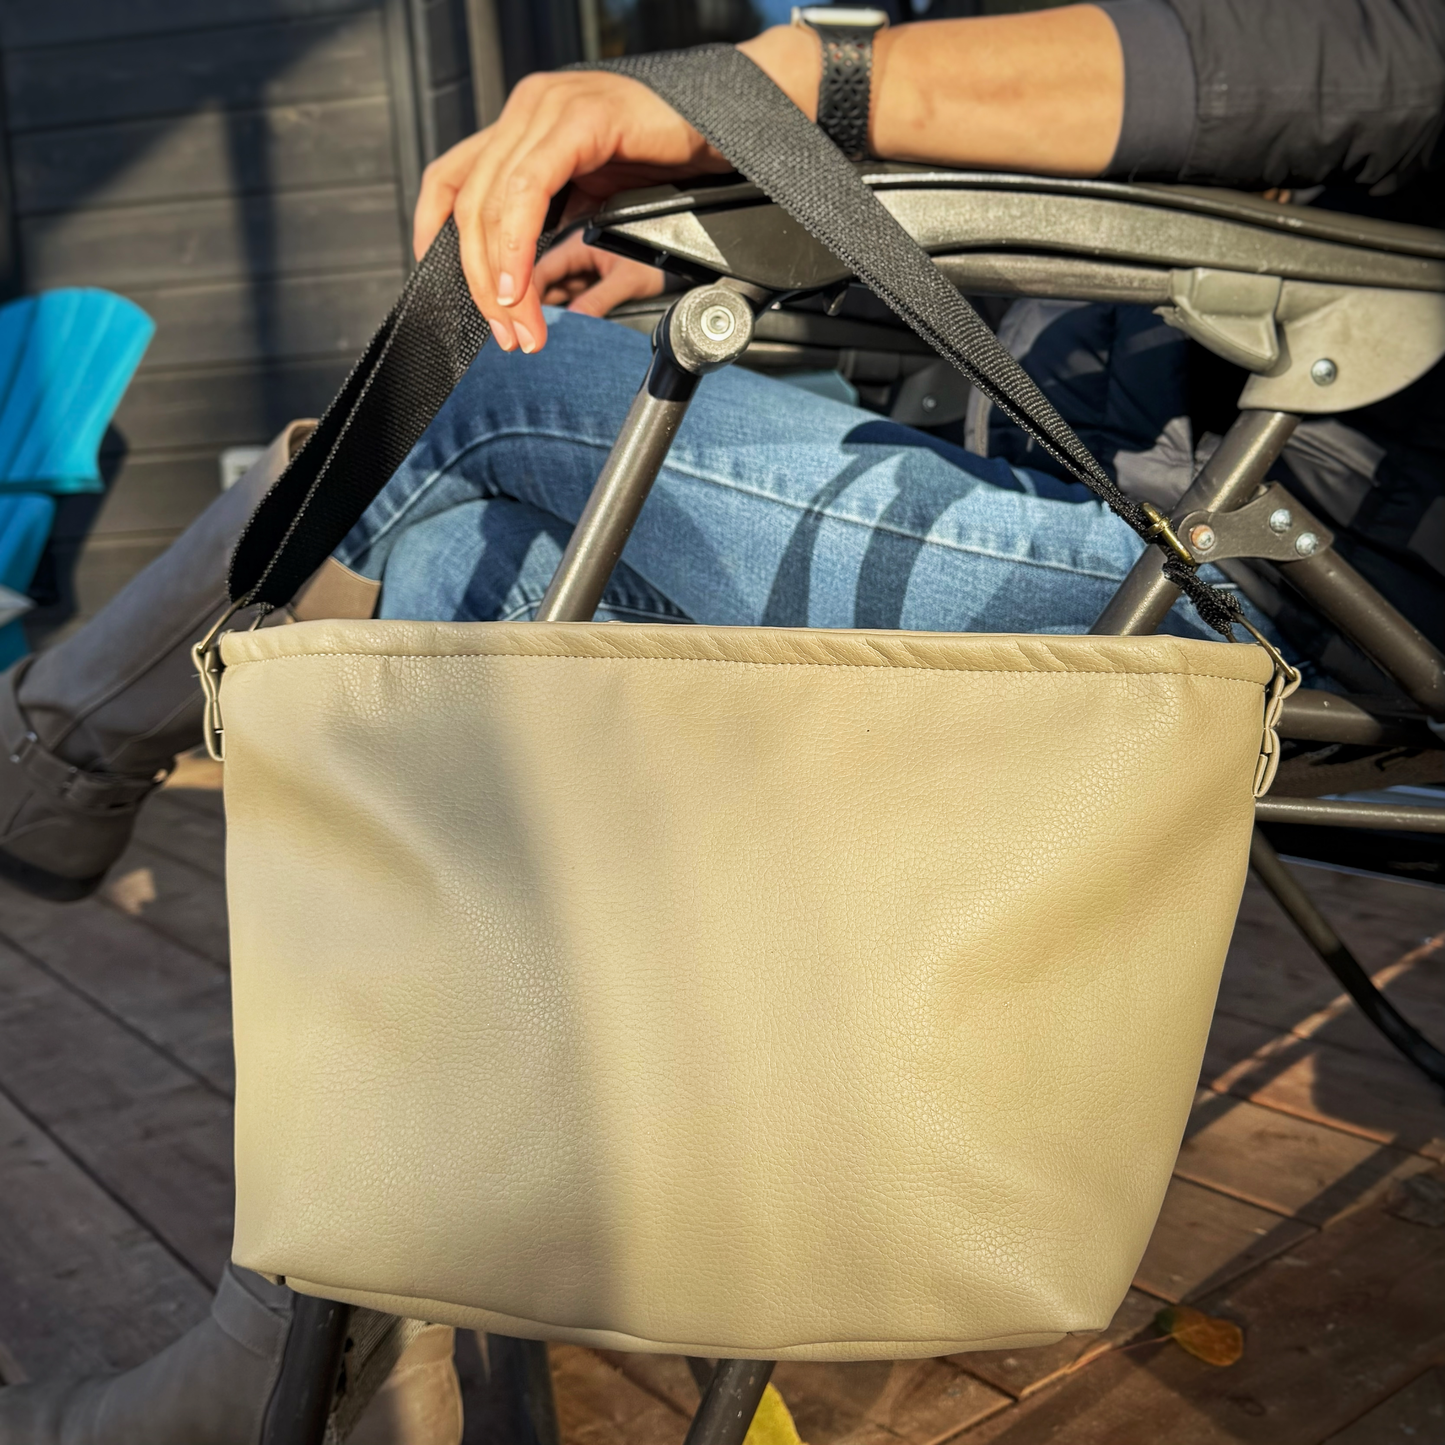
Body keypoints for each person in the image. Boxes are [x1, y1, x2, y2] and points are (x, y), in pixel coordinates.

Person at [1, 2, 1441, 1439]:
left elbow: (1362, 65)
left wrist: (775, 84)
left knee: (481, 375)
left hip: (1279, 561)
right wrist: (724, 233)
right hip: (1126, 506)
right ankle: (376, 1350)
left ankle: (61, 759)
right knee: (472, 568)